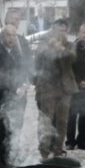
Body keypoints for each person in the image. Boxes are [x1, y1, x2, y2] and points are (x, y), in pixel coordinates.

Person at [34, 19, 78, 159]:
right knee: (46, 119)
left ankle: (58, 147)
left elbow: (72, 58)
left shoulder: (70, 45)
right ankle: (44, 149)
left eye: (64, 30)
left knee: (62, 121)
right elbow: (39, 58)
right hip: (47, 87)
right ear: (53, 29)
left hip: (65, 88)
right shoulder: (43, 43)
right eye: (58, 30)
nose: (61, 33)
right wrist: (51, 46)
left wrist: (60, 48)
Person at [0, 24, 28, 168]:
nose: (11, 38)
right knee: (0, 128)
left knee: (14, 127)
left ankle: (9, 156)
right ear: (2, 36)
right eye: (8, 35)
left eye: (13, 35)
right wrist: (14, 88)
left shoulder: (18, 51)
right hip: (3, 95)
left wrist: (24, 84)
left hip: (18, 95)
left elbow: (23, 70)